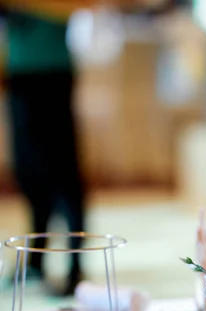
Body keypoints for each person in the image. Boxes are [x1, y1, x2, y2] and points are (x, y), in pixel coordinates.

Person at [1, 0, 141, 295]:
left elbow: (87, 6)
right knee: (28, 171)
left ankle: (76, 264)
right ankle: (35, 258)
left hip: (53, 75)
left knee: (62, 171)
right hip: (19, 75)